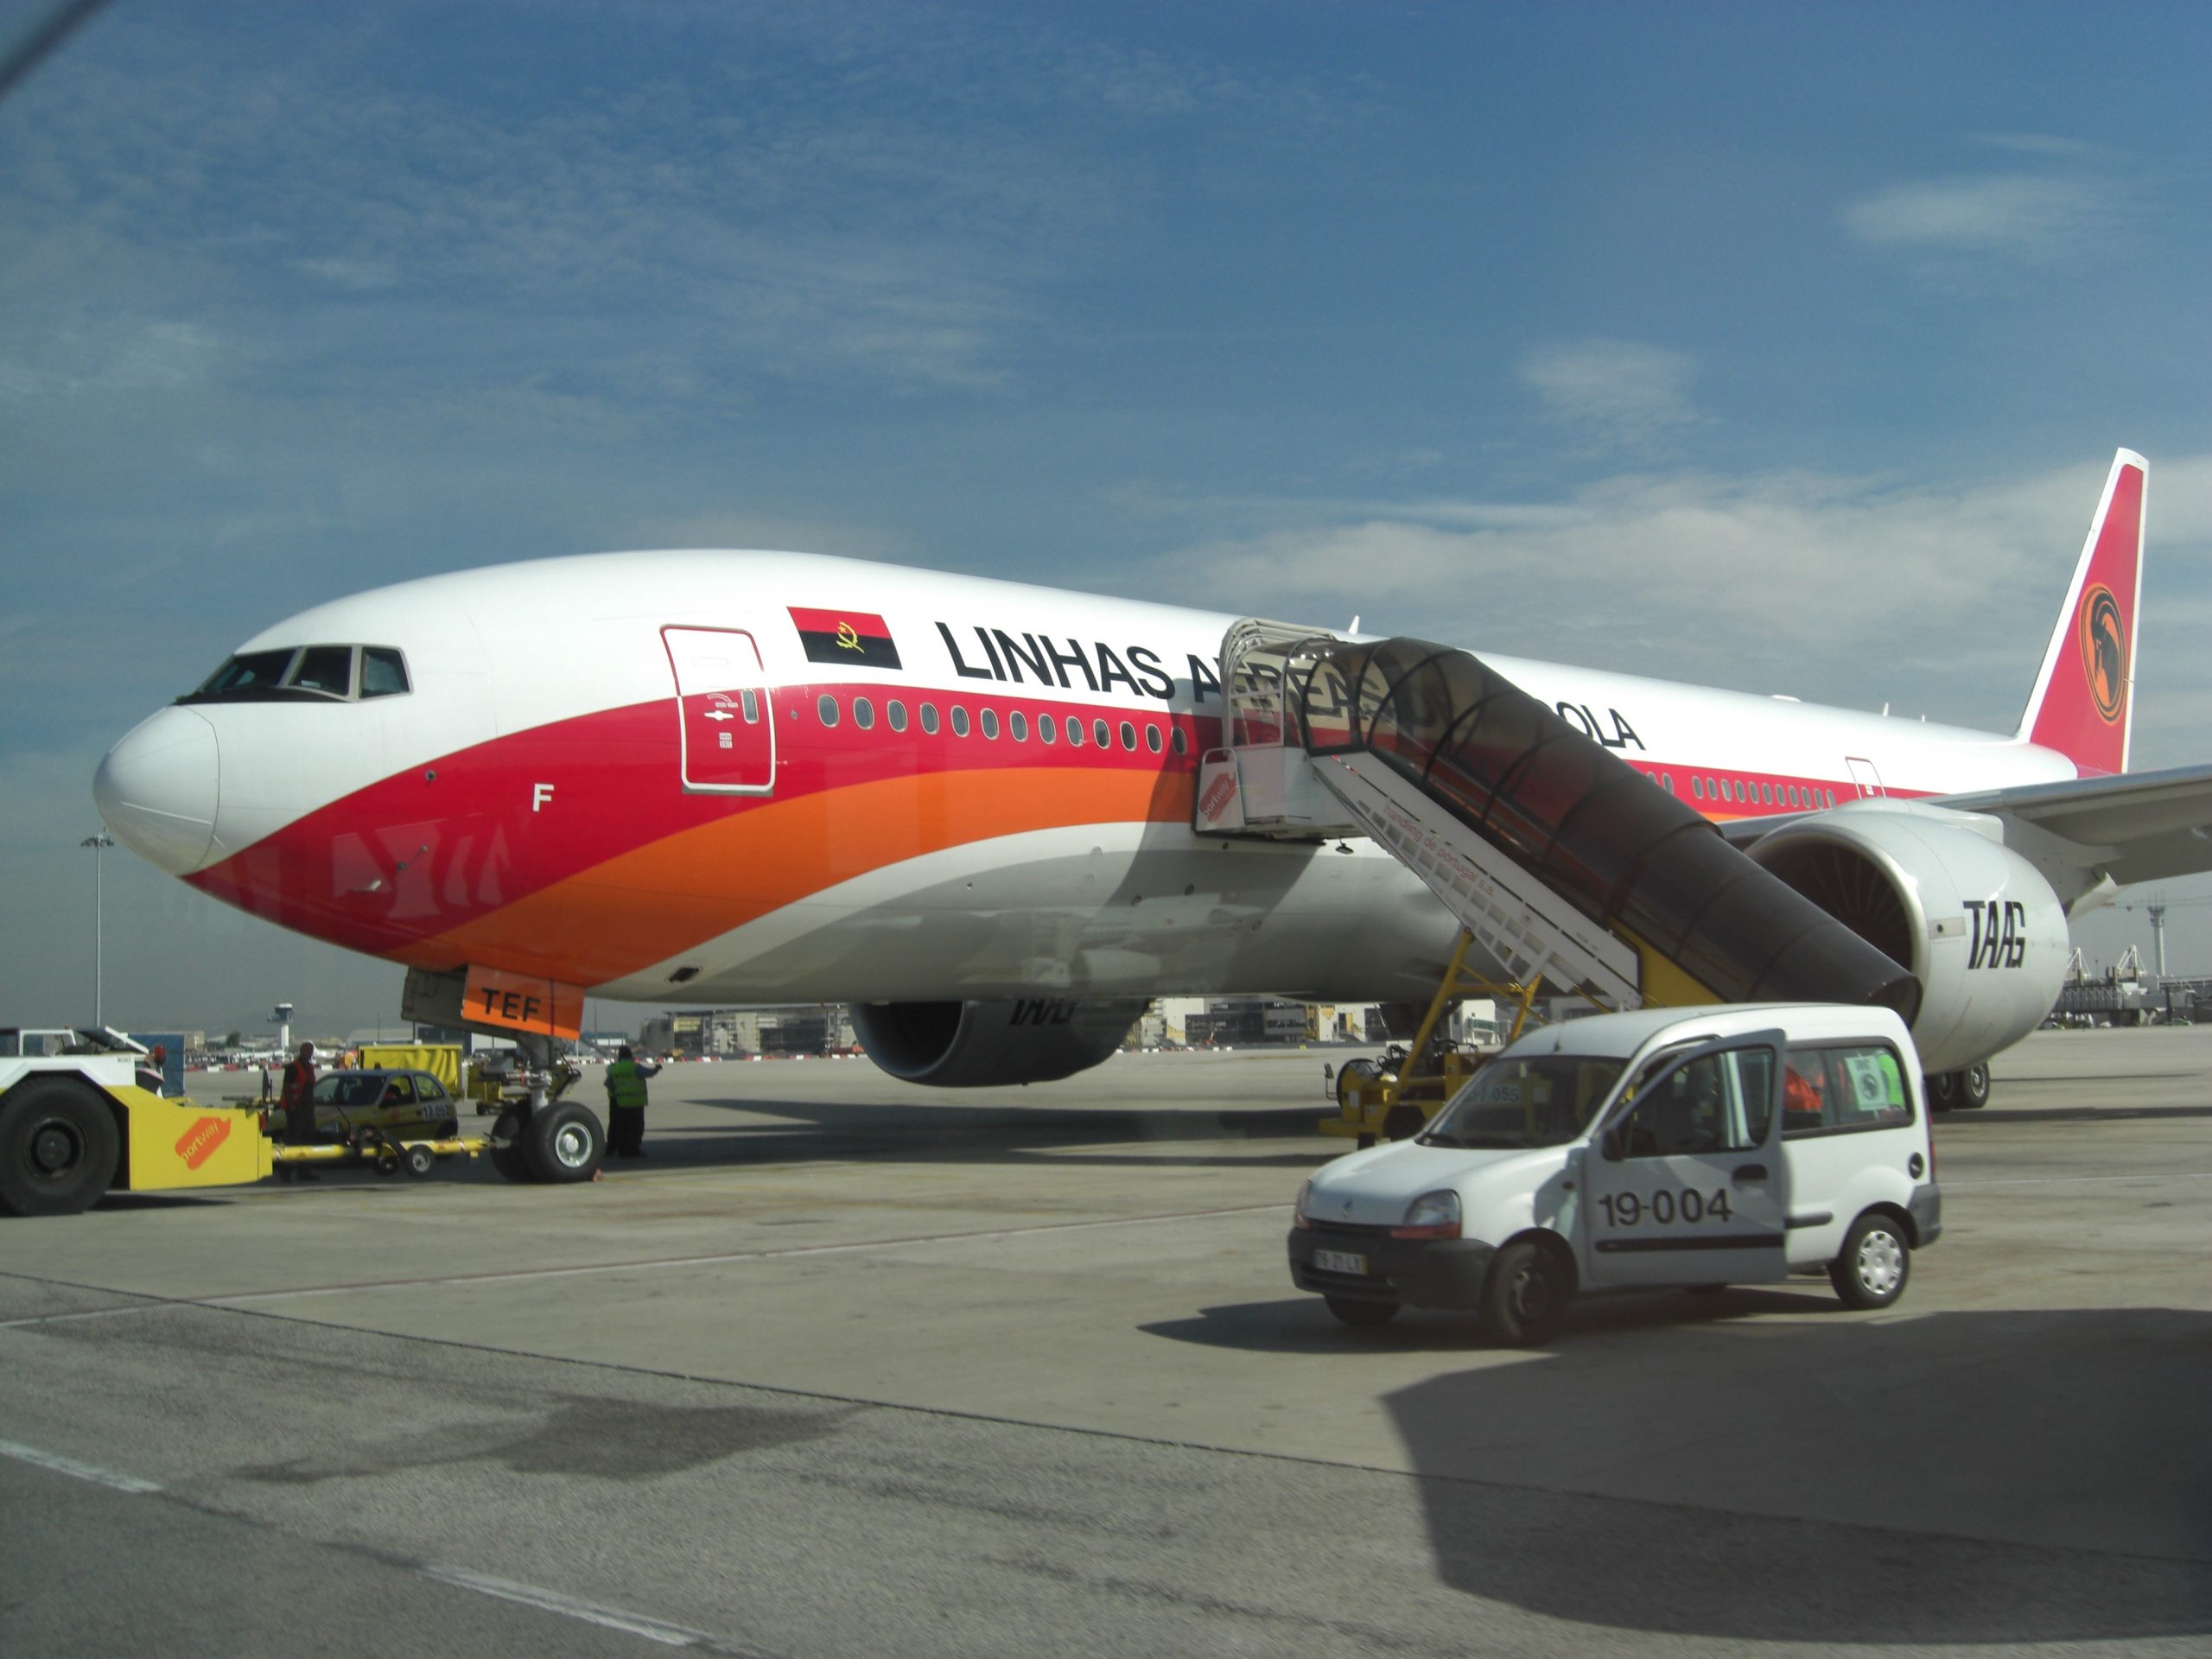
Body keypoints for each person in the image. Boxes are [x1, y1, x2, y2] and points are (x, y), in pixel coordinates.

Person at [279, 1041, 321, 1179]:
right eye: (307, 1050)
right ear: (301, 1051)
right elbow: (287, 1088)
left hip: (307, 1108)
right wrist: (292, 1106)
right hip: (296, 1109)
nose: (309, 1053)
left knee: (307, 1140)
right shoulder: (293, 1067)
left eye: (311, 1051)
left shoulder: (309, 1067)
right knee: (292, 1141)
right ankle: (286, 1173)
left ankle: (304, 1172)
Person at [605, 1045, 650, 1157]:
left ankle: (614, 1148)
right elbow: (649, 1073)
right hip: (634, 1101)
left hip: (617, 1100)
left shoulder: (613, 1068)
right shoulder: (635, 1067)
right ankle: (633, 1149)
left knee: (617, 1126)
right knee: (635, 1127)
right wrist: (657, 1069)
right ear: (631, 1056)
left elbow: (608, 1084)